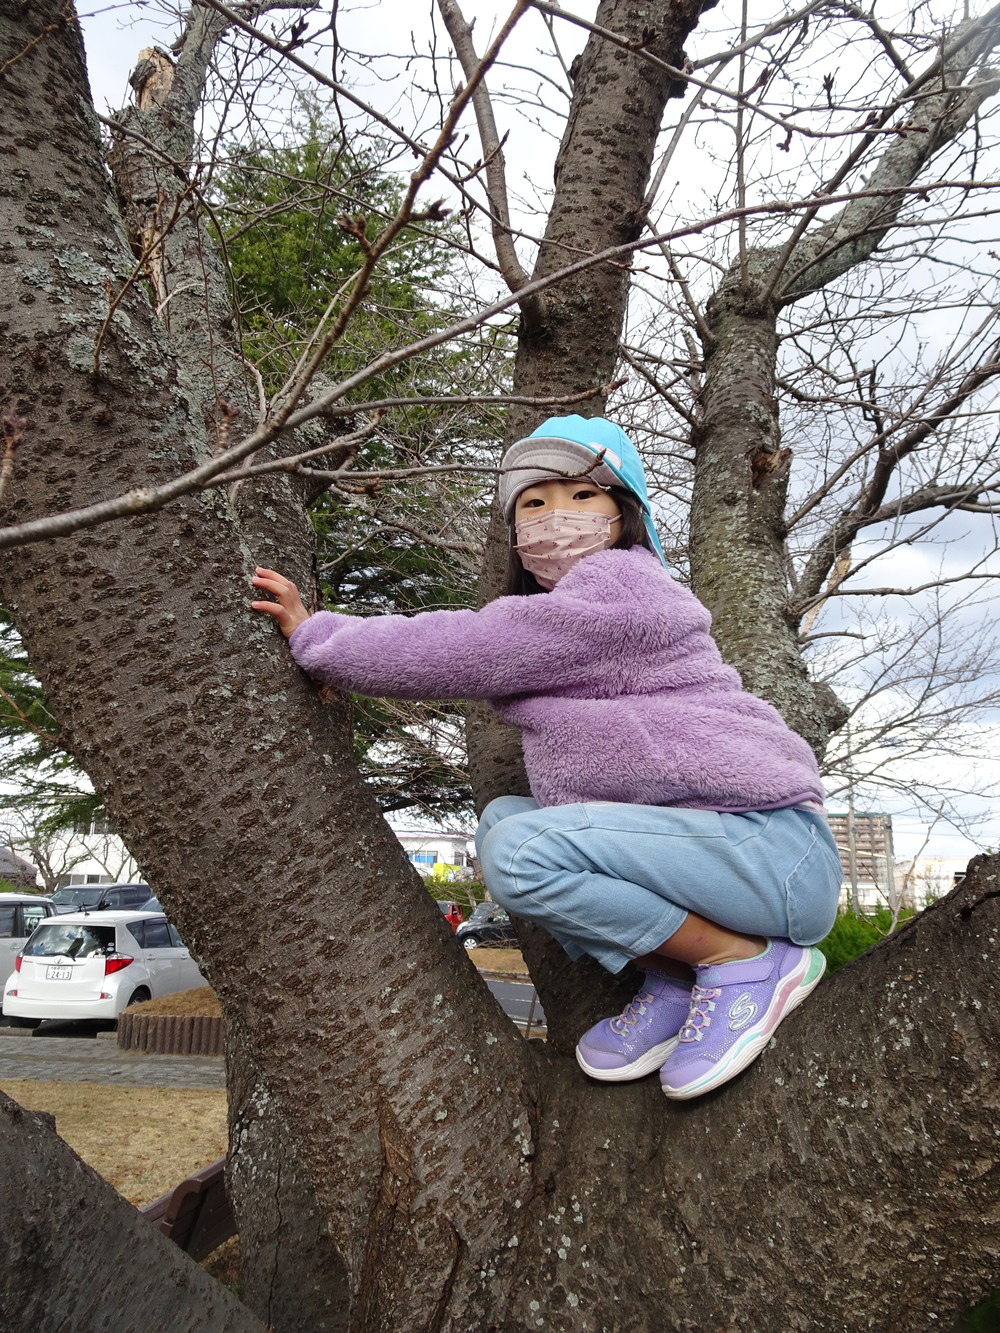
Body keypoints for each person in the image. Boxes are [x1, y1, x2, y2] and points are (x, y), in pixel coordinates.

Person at [251, 415, 842, 1100]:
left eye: (581, 496)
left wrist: (320, 637)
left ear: (623, 517)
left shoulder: (624, 590)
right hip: (726, 854)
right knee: (505, 819)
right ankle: (680, 974)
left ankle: (743, 962)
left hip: (769, 850)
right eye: (533, 502)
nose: (555, 515)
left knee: (520, 856)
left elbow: (462, 648)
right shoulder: (572, 615)